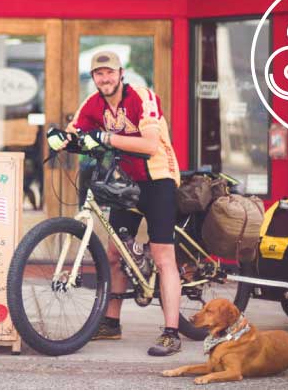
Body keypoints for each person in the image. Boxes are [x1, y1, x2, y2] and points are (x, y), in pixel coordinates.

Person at [48, 50, 183, 356]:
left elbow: (149, 145)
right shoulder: (92, 103)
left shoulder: (143, 98)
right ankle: (111, 323)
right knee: (114, 253)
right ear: (94, 78)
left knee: (163, 258)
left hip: (159, 177)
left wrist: (106, 138)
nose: (105, 78)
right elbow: (76, 133)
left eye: (110, 73)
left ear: (121, 73)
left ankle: (171, 332)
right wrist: (60, 139)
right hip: (127, 181)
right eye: (99, 74)